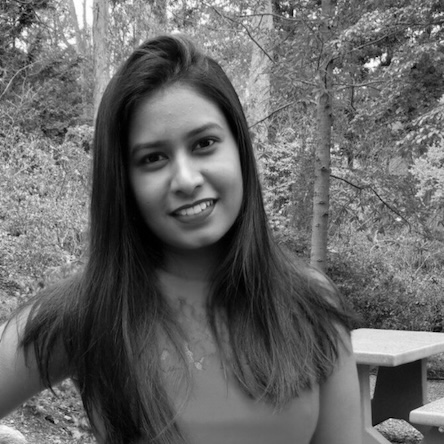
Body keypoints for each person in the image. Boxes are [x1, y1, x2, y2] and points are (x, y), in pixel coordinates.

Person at [0, 34, 361, 444]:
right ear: (124, 182)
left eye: (204, 144)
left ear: (239, 149)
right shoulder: (88, 312)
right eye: (153, 158)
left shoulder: (312, 304)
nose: (186, 180)